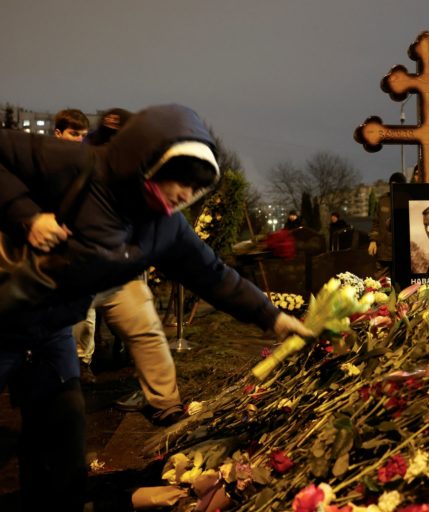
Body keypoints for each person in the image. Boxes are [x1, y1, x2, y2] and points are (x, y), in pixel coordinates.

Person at [0, 104, 313, 511]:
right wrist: (26, 216)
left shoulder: (166, 226)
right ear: (147, 159)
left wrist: (273, 317)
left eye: (195, 187)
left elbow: (214, 275)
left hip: (53, 331)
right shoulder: (74, 164)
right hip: (6, 314)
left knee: (61, 439)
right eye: (180, 180)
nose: (184, 194)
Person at [74, 108, 187, 424]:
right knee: (65, 328)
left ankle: (163, 400)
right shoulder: (78, 160)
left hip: (120, 266)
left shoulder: (144, 167)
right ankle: (60, 392)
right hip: (75, 266)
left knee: (143, 323)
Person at [53, 109, 96, 382]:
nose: (79, 140)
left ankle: (82, 360)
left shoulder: (88, 164)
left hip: (80, 245)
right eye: (73, 134)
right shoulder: (42, 161)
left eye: (82, 135)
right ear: (58, 133)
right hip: (48, 244)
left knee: (84, 308)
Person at [368, 172, 407, 275]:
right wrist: (373, 240)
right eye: (392, 184)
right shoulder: (383, 201)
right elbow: (376, 223)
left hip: (402, 253)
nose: (393, 187)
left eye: (397, 184)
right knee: (382, 283)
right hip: (384, 252)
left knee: (402, 285)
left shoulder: (408, 200)